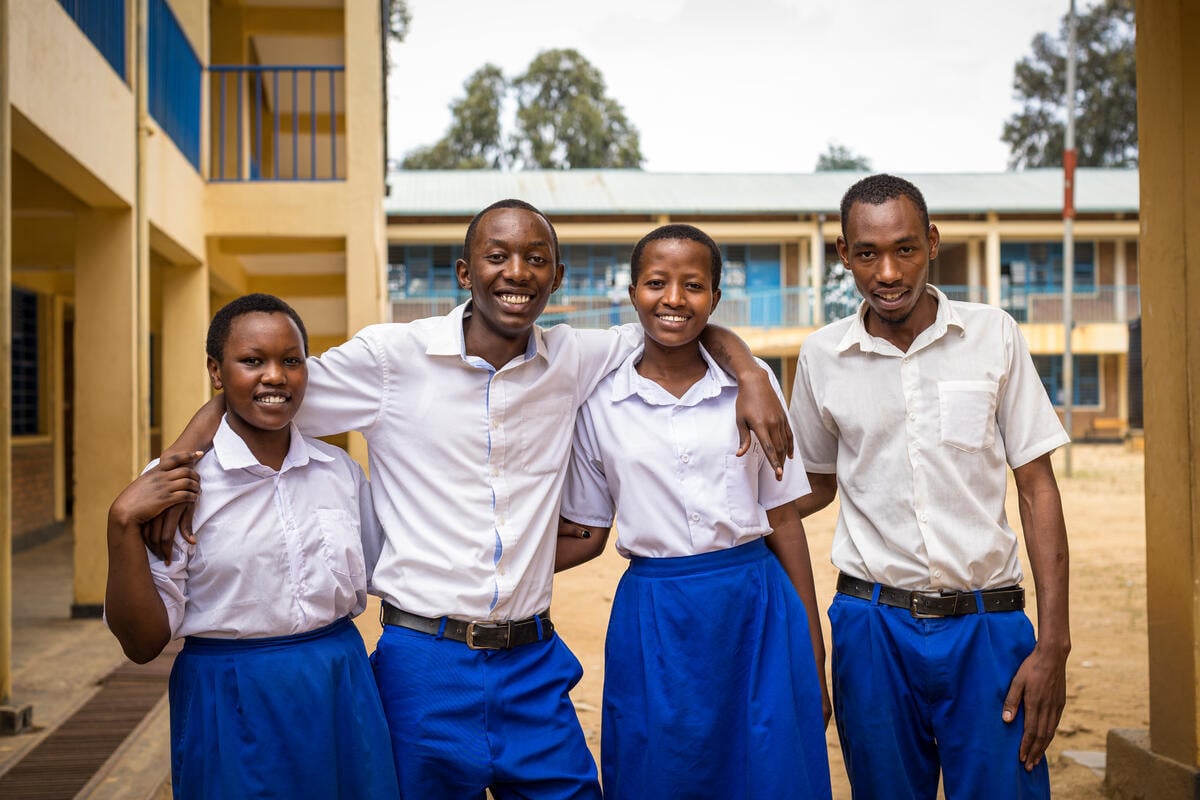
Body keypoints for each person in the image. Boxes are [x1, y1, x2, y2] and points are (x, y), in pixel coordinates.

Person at [150, 200, 795, 799]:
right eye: (497, 256)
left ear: (557, 276)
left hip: (532, 659)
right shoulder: (389, 359)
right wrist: (181, 463)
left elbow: (679, 324)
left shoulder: (576, 356)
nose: (517, 272)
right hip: (422, 662)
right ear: (465, 271)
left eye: (536, 259)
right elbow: (265, 389)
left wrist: (749, 375)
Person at [788, 174, 1070, 799]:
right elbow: (810, 485)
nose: (887, 271)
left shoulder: (993, 334)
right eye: (867, 253)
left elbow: (1037, 489)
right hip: (871, 628)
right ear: (844, 255)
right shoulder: (821, 356)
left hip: (989, 627)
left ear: (932, 243)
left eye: (905, 249)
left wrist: (1054, 644)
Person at [554, 224, 833, 799]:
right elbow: (588, 531)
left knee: (772, 770)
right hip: (655, 615)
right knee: (661, 768)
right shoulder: (599, 404)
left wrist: (812, 645)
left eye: (694, 285)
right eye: (657, 283)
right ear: (633, 294)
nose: (675, 299)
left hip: (756, 605)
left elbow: (783, 519)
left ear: (715, 298)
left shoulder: (754, 389)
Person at [104, 294, 400, 799]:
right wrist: (120, 526)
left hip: (339, 685)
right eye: (252, 361)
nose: (275, 376)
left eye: (291, 361)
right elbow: (142, 644)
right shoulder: (176, 485)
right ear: (216, 373)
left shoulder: (340, 473)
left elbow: (391, 570)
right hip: (230, 694)